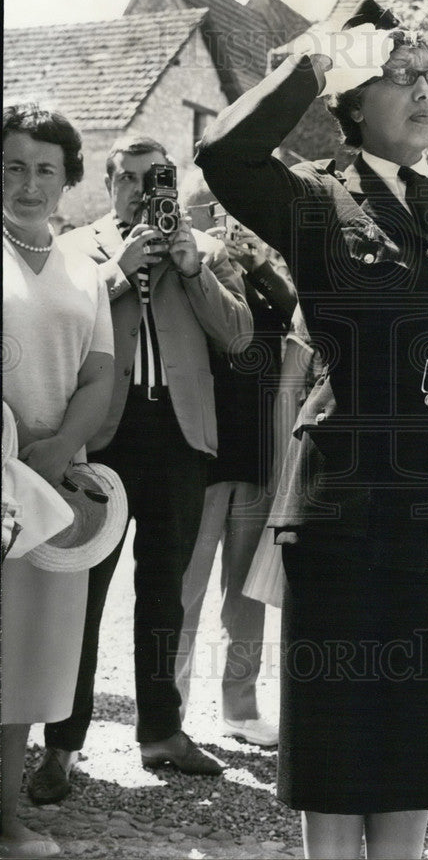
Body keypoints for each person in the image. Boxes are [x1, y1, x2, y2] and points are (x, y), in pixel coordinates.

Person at [196, 0, 428, 860]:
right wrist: (323, 53)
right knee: (338, 737)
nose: (425, 92)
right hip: (343, 510)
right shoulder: (312, 198)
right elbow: (222, 154)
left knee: (419, 742)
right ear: (351, 103)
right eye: (400, 76)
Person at [28, 135, 253, 804]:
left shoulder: (204, 247)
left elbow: (239, 336)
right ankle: (61, 746)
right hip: (99, 439)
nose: (139, 189)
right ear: (106, 183)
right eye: (126, 179)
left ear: (173, 181)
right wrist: (119, 270)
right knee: (80, 597)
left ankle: (161, 731)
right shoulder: (75, 249)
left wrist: (192, 267)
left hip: (179, 436)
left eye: (153, 177)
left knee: (165, 595)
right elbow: (54, 326)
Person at [2, 105, 114, 858]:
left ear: (69, 177)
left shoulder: (84, 265)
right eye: (13, 165)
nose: (28, 183)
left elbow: (102, 371)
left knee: (28, 654)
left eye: (45, 168)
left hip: (56, 487)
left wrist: (64, 444)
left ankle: (4, 818)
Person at [174, 172, 296, 746]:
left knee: (247, 594)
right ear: (194, 211)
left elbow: (298, 313)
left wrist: (260, 264)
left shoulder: (265, 277)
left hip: (258, 451)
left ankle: (240, 708)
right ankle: (165, 713)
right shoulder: (186, 268)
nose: (232, 221)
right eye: (219, 208)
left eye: (241, 212)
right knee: (184, 592)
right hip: (202, 452)